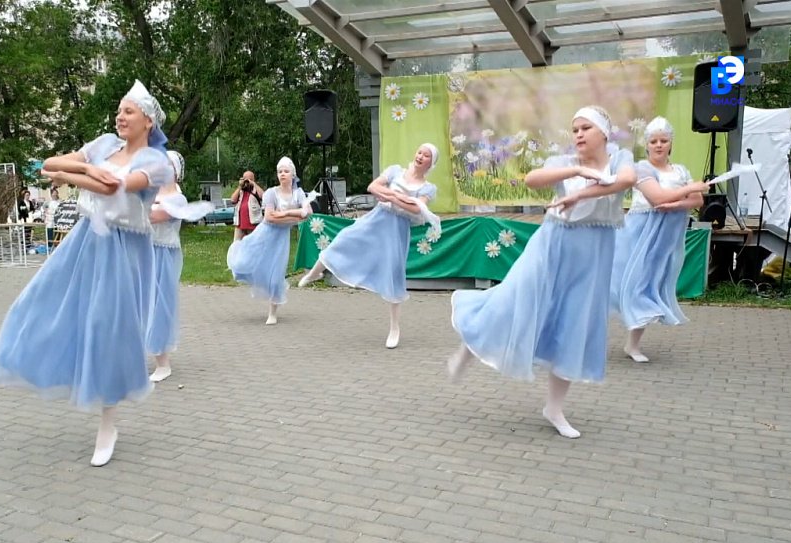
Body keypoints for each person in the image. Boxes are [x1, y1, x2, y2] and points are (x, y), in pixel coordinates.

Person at [446, 106, 707, 439]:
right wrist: (574, 174)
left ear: (604, 133)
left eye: (586, 128)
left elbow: (624, 182)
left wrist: (584, 190)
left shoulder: (620, 157)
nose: (579, 134)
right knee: (514, 298)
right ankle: (468, 347)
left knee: (575, 324)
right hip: (553, 244)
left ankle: (554, 408)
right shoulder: (564, 163)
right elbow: (532, 179)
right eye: (575, 129)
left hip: (595, 251)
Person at [0, 80, 173, 467]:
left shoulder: (156, 162)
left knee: (107, 330)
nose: (120, 116)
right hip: (85, 239)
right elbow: (48, 164)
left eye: (129, 111)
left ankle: (108, 423)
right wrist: (84, 167)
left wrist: (73, 174)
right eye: (119, 110)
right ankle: (8, 361)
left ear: (148, 121)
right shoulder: (103, 145)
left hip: (125, 250)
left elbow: (112, 188)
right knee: (40, 298)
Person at [298, 144, 439, 349]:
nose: (420, 156)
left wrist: (391, 196)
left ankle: (394, 328)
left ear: (430, 163)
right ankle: (315, 273)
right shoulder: (395, 171)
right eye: (419, 152)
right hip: (377, 218)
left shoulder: (427, 188)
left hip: (397, 228)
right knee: (344, 239)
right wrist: (398, 197)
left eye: (426, 155)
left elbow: (417, 209)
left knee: (393, 272)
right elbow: (373, 187)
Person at [610, 117, 704, 363]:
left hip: (666, 237)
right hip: (639, 233)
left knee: (648, 287)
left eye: (664, 140)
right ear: (647, 145)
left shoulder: (681, 171)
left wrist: (675, 204)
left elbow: (698, 201)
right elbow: (657, 199)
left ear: (671, 143)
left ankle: (633, 344)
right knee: (625, 284)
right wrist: (685, 192)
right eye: (654, 141)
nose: (659, 145)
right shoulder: (641, 168)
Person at [227, 157, 310, 325]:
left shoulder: (299, 194)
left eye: (286, 171)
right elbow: (270, 217)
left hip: (281, 238)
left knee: (276, 274)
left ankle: (272, 313)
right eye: (280, 172)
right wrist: (293, 213)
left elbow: (308, 212)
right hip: (265, 233)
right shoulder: (272, 193)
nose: (282, 174)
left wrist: (287, 213)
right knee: (246, 259)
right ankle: (241, 269)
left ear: (292, 174)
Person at [145, 151, 187, 383]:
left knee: (160, 306)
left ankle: (163, 364)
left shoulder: (178, 198)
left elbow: (154, 216)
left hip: (164, 253)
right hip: (144, 251)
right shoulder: (150, 192)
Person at [231, 170, 264, 240]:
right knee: (236, 246)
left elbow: (263, 196)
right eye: (245, 179)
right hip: (240, 224)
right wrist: (240, 186)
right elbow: (233, 200)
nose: (247, 181)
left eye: (250, 179)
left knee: (253, 245)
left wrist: (253, 184)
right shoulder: (240, 191)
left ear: (253, 179)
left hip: (253, 224)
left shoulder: (255, 190)